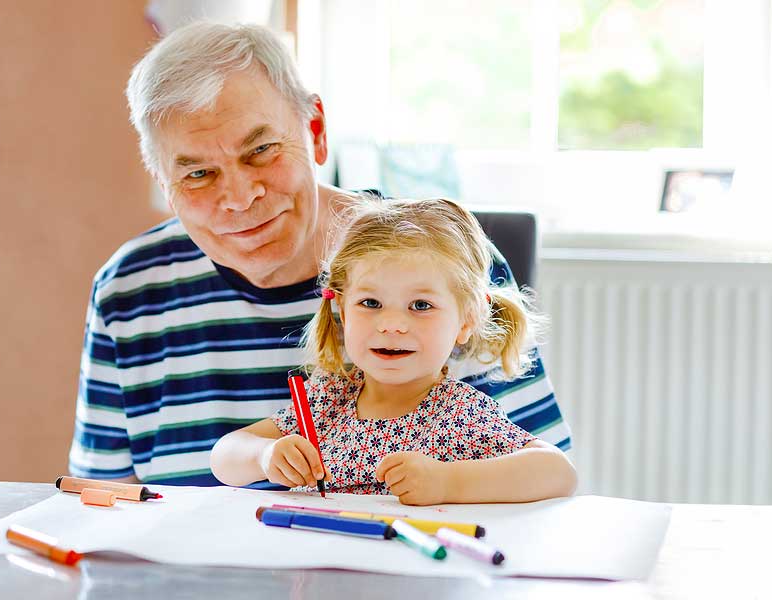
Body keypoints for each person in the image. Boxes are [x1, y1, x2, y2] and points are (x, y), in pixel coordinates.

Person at [69, 21, 571, 486]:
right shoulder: (127, 290)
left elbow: (547, 492)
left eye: (261, 150)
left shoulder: (442, 262)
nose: (241, 198)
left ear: (316, 131)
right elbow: (104, 503)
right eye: (198, 173)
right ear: (163, 182)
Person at [209, 197, 577, 504]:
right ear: (341, 308)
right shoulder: (327, 401)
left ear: (467, 320)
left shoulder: (456, 414)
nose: (391, 325)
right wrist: (264, 456)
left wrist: (449, 483)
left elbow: (557, 472)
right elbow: (224, 455)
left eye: (420, 306)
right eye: (370, 303)